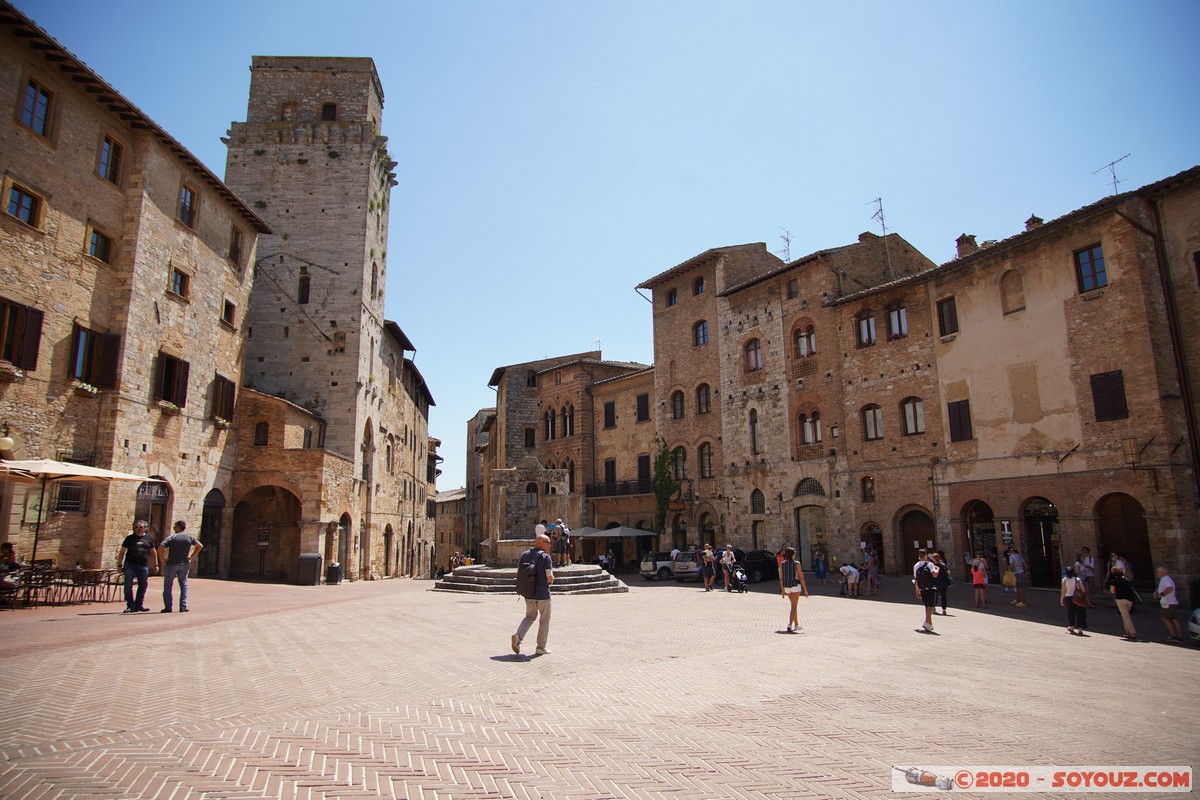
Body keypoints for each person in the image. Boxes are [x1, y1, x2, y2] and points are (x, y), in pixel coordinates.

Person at [511, 533, 554, 656]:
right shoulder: (546, 557)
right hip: (543, 594)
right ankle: (541, 647)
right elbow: (549, 577)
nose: (549, 545)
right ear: (540, 543)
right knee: (544, 620)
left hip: (529, 593)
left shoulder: (524, 555)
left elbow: (519, 573)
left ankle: (518, 636)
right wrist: (552, 580)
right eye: (548, 543)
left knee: (529, 617)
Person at [159, 520, 203, 613]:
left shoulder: (172, 537)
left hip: (172, 563)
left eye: (175, 526)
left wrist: (162, 559)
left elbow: (160, 547)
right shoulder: (189, 537)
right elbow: (200, 546)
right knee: (183, 585)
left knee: (168, 585)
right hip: (184, 564)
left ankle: (168, 607)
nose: (174, 528)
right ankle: (183, 606)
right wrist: (191, 556)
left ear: (178, 527)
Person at [117, 520, 159, 613]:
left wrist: (156, 564)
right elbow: (122, 552)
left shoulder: (149, 538)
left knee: (143, 585)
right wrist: (119, 565)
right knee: (128, 585)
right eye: (136, 527)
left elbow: (153, 552)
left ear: (145, 528)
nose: (138, 529)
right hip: (130, 564)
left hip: (143, 565)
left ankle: (139, 605)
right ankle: (130, 605)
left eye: (141, 527)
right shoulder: (129, 538)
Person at [779, 546, 808, 632]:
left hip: (787, 587)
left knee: (793, 606)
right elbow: (801, 577)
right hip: (795, 585)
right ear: (793, 554)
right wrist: (805, 589)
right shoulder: (797, 563)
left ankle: (797, 624)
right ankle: (789, 624)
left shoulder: (782, 564)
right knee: (794, 606)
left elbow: (781, 578)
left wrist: (782, 590)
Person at [1106, 566, 1138, 641]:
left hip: (1120, 599)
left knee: (1126, 616)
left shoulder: (1114, 581)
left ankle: (1132, 632)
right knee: (1125, 615)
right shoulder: (1127, 580)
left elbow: (1112, 591)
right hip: (1129, 599)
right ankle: (1127, 632)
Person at [1153, 566, 1184, 643]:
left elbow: (1170, 588)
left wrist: (1161, 594)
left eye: (1157, 572)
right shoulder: (1165, 579)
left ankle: (1173, 636)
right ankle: (1179, 636)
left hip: (1168, 603)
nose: (1156, 574)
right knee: (1173, 618)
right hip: (1172, 602)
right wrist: (1157, 592)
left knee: (1165, 618)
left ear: (1162, 573)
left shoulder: (1165, 579)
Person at [913, 549, 940, 633]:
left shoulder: (916, 566)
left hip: (922, 588)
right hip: (930, 587)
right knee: (930, 606)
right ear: (925, 555)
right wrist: (937, 569)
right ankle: (926, 622)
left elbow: (916, 580)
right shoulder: (930, 564)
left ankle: (929, 624)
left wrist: (917, 591)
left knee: (927, 606)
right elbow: (934, 575)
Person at [1060, 566, 1088, 635]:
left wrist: (1061, 599)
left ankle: (1072, 627)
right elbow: (1083, 590)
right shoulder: (1077, 579)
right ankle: (1080, 630)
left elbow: (1063, 591)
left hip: (1068, 598)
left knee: (1070, 613)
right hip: (1077, 598)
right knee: (1080, 613)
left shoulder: (1064, 580)